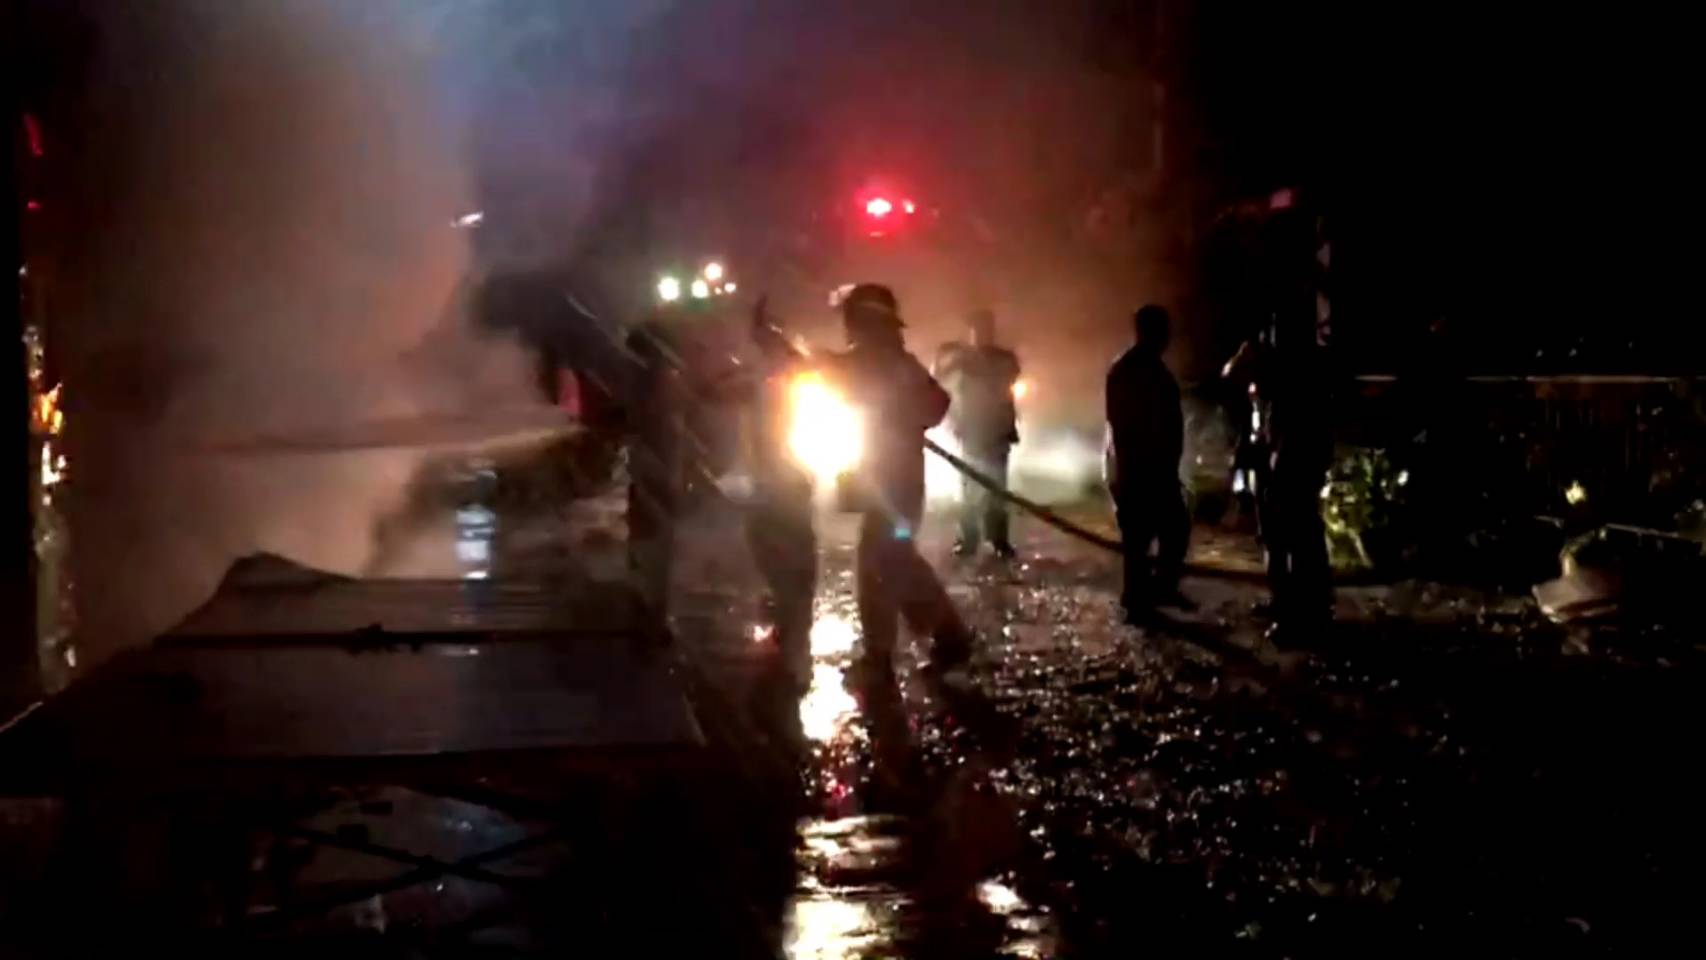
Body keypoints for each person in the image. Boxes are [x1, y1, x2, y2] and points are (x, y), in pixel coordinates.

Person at [827, 283, 973, 680]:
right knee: (891, 561)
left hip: (894, 483)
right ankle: (939, 638)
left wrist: (902, 415)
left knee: (886, 564)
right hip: (889, 480)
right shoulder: (891, 361)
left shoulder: (884, 361)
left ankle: (912, 646)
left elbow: (936, 403)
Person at [743, 300, 818, 689]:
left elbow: (799, 364)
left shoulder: (780, 369)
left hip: (781, 475)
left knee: (789, 554)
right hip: (770, 475)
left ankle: (792, 639)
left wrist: (771, 336)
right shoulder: (757, 374)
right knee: (771, 547)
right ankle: (788, 627)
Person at [1105, 304, 1192, 623]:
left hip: (1152, 467)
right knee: (1144, 535)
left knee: (1166, 532)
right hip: (1139, 468)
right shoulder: (1131, 371)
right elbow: (1122, 424)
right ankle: (1140, 598)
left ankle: (1151, 591)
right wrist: (1135, 467)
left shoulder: (1145, 369)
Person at [934, 309, 1022, 558]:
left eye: (984, 328)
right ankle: (969, 539)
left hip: (996, 431)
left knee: (996, 489)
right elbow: (938, 375)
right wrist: (949, 358)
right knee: (969, 489)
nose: (981, 333)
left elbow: (1009, 374)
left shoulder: (1002, 359)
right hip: (971, 431)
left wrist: (962, 360)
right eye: (977, 328)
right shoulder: (962, 359)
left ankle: (998, 539)